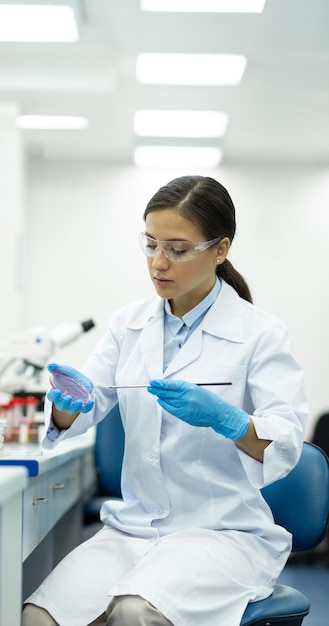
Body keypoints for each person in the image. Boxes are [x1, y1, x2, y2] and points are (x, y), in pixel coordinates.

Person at [22, 175, 308, 626]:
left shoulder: (260, 333)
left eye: (176, 249)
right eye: (150, 245)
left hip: (221, 532)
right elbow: (84, 406)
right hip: (133, 529)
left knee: (134, 612)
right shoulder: (128, 324)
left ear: (220, 249)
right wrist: (67, 403)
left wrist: (231, 422)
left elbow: (287, 444)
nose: (158, 263)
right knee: (40, 616)